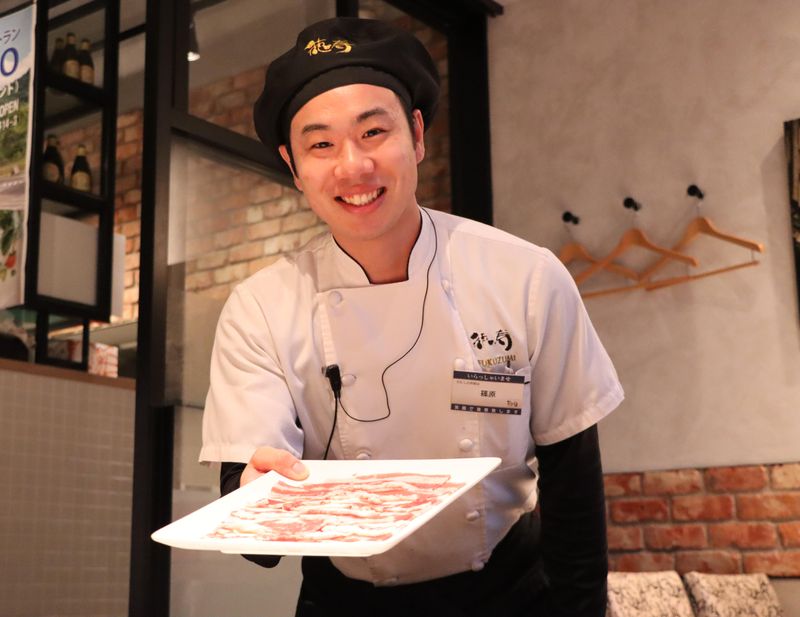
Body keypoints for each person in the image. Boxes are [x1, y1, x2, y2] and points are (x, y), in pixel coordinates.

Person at [200, 16, 624, 617]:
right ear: (293, 166)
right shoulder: (261, 308)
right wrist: (255, 494)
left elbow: (573, 483)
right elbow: (258, 543)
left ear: (417, 134)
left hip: (508, 595)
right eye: (321, 145)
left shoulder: (525, 277)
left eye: (373, 131)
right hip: (346, 604)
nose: (353, 166)